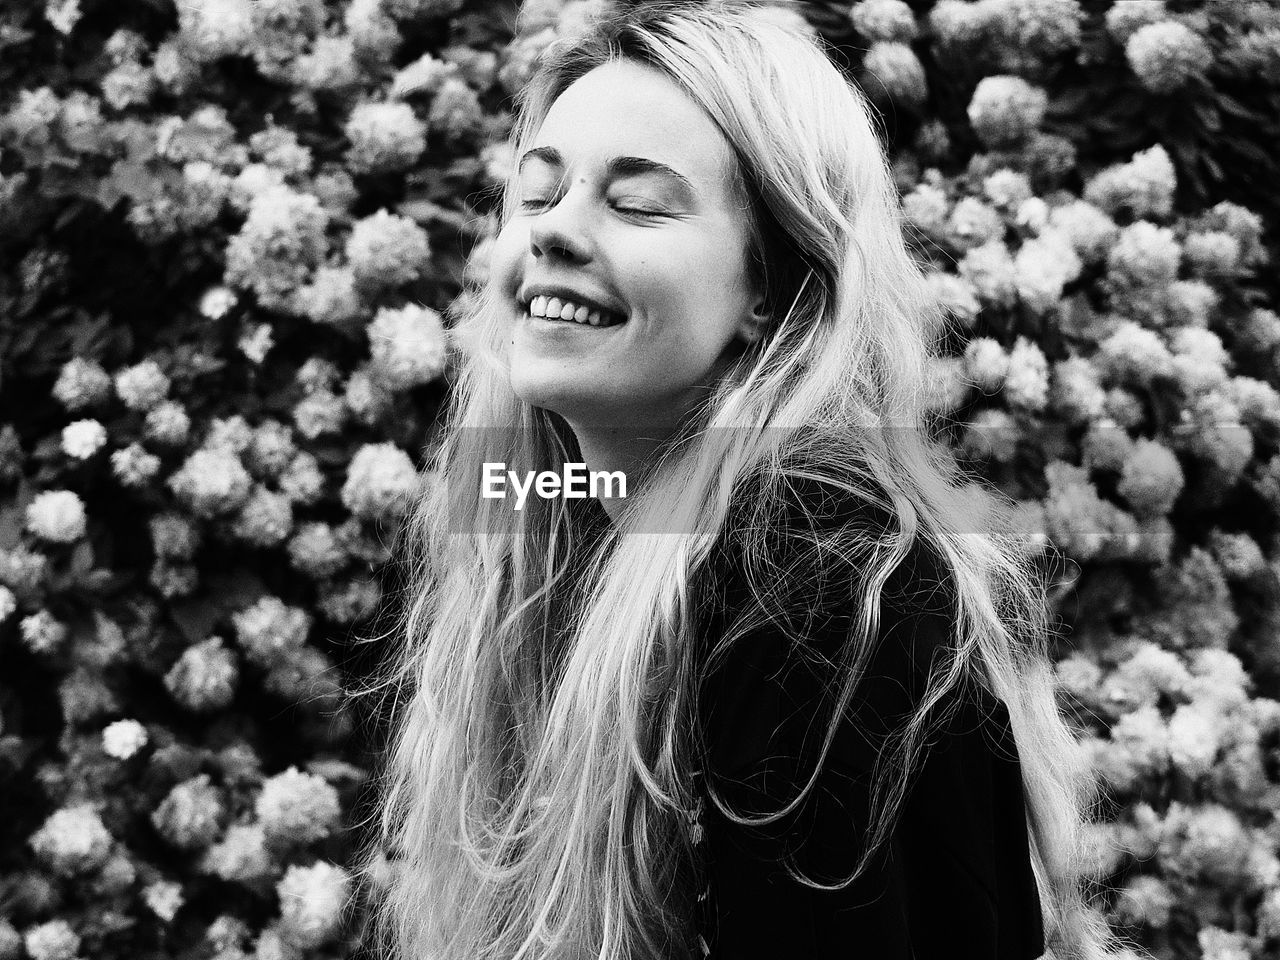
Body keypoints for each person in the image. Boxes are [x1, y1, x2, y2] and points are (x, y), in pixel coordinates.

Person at [355, 2, 1140, 959]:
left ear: (771, 285)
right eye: (539, 193)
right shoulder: (568, 521)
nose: (555, 233)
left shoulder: (817, 575)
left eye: (637, 202)